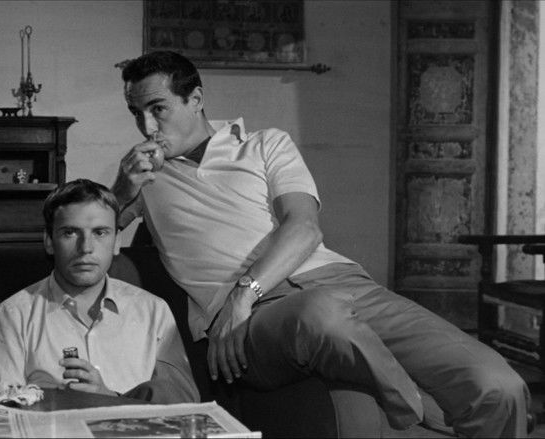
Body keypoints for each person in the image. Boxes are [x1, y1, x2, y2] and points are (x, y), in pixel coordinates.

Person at [111, 50, 530, 436]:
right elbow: (91, 234)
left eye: (157, 109)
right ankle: (425, 414)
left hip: (337, 283)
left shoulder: (264, 144)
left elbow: (304, 227)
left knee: (498, 385)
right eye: (136, 113)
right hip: (260, 321)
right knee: (320, 313)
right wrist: (122, 190)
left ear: (195, 99)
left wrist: (243, 293)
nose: (147, 127)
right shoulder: (144, 177)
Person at [0, 178, 199, 404]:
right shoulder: (11, 318)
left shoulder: (154, 312)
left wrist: (111, 400)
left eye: (100, 233)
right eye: (70, 233)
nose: (86, 247)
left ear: (116, 242)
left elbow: (184, 404)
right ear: (49, 241)